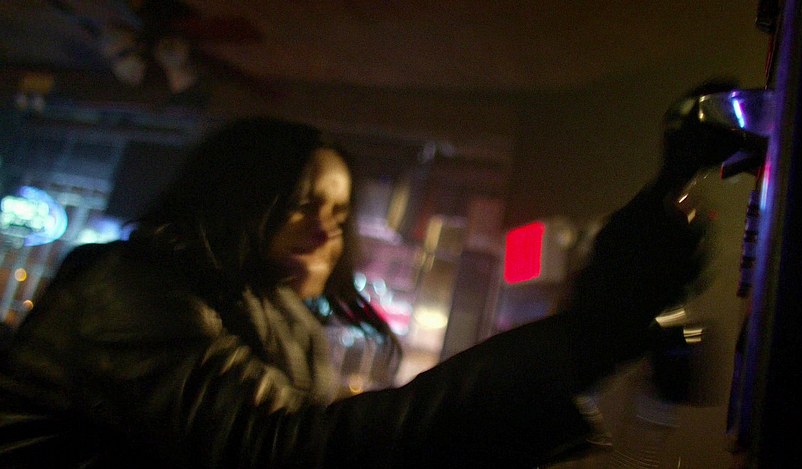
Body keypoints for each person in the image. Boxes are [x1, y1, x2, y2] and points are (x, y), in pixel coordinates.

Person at [0, 81, 747, 468]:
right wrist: (579, 342)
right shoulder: (125, 290)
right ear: (236, 197)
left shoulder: (284, 330)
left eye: (338, 210)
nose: (327, 227)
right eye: (303, 202)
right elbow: (286, 452)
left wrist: (577, 350)